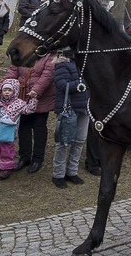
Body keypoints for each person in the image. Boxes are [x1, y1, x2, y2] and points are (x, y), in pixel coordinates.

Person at [0, 52, 56, 174]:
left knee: (39, 127)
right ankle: (24, 157)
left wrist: (35, 91)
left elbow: (47, 76)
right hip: (22, 97)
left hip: (40, 98)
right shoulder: (22, 52)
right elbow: (12, 72)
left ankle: (38, 159)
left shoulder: (49, 55)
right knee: (23, 127)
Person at [51, 48, 89, 188]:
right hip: (68, 109)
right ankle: (58, 174)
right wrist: (81, 84)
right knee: (64, 142)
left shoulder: (85, 65)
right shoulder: (61, 65)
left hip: (84, 108)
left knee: (79, 141)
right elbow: (62, 85)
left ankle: (72, 172)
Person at [0, 79, 38, 179]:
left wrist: (33, 99)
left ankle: (6, 168)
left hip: (7, 132)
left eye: (10, 90)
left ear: (15, 91)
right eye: (5, 90)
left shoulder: (18, 104)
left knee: (6, 149)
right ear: (1, 90)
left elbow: (28, 110)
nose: (7, 92)